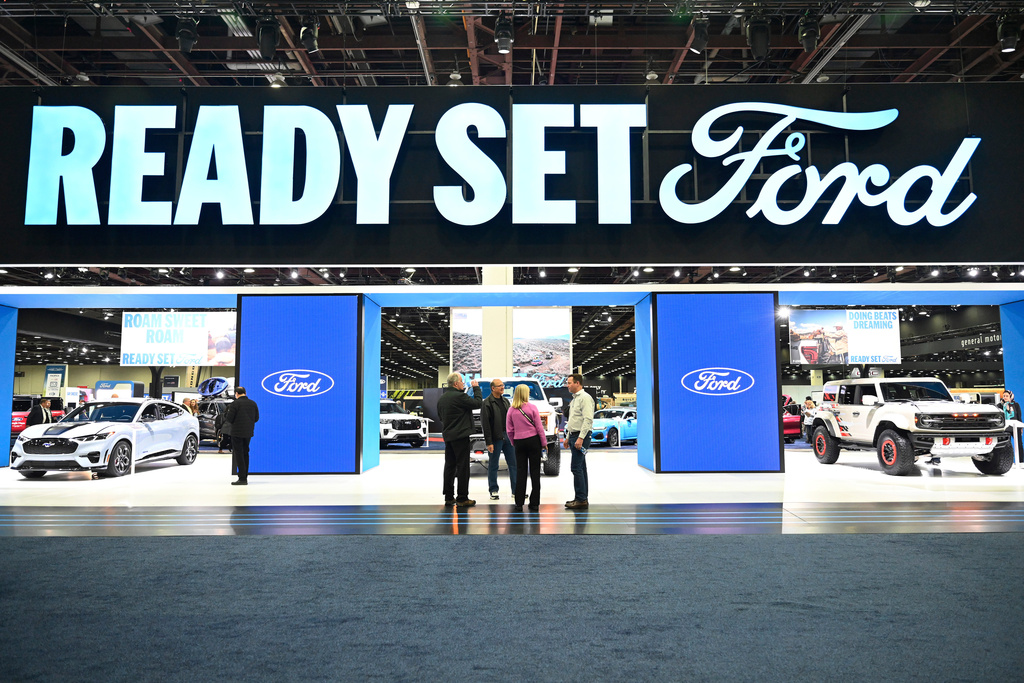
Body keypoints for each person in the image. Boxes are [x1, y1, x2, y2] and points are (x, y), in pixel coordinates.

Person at [436, 372, 482, 507]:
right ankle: (462, 498)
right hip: (461, 437)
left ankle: (449, 497)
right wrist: (476, 388)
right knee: (463, 467)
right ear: (456, 384)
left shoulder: (442, 398)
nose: (463, 383)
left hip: (448, 436)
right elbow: (478, 403)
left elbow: (440, 417)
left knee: (449, 466)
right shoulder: (460, 396)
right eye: (462, 381)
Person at [505, 384, 546, 512]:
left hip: (519, 442)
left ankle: (518, 503)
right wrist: (544, 443)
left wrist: (514, 442)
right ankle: (534, 503)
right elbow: (539, 428)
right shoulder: (533, 408)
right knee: (535, 472)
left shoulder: (511, 410)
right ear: (525, 394)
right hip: (533, 441)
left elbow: (509, 430)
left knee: (520, 472)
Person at [481, 379, 517, 500]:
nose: (503, 387)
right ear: (493, 388)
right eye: (500, 386)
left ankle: (516, 490)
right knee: (493, 465)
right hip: (495, 438)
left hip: (508, 436)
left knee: (513, 464)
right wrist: (489, 442)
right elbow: (485, 424)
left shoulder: (506, 401)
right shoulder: (487, 403)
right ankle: (493, 490)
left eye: (503, 385)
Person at [564, 373, 595, 510]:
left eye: (570, 382)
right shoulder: (575, 399)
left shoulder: (585, 398)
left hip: (581, 436)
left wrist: (580, 438)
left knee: (576, 467)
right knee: (581, 467)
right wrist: (567, 437)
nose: (567, 385)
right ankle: (581, 498)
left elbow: (588, 420)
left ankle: (581, 499)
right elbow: (573, 419)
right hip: (573, 435)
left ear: (578, 383)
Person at [225, 386, 259, 486]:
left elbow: (229, 419)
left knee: (239, 454)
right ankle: (245, 476)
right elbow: (256, 418)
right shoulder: (253, 403)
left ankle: (242, 478)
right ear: (245, 392)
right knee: (245, 453)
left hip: (237, 432)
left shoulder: (235, 404)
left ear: (236, 393)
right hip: (248, 432)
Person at [1000, 390, 1023, 464]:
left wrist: (1021, 427)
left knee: (1019, 444)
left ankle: (1021, 461)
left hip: (1016, 427)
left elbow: (1019, 416)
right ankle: (1007, 462)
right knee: (1006, 445)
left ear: (1011, 396)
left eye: (1007, 396)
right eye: (1004, 396)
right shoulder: (1000, 405)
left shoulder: (1016, 405)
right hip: (1006, 427)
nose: (1005, 397)